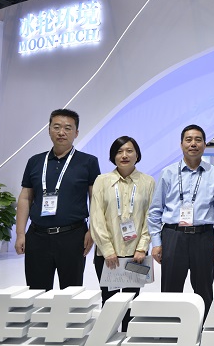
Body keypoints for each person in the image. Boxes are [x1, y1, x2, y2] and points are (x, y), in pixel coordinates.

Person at [147, 124, 214, 319]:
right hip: (173, 236)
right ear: (181, 144)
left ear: (205, 144)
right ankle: (170, 327)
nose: (193, 144)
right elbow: (155, 210)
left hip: (203, 236)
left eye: (198, 140)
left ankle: (203, 327)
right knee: (170, 289)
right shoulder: (168, 173)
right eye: (189, 140)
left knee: (204, 290)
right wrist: (156, 242)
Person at [15, 109, 101, 290]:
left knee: (71, 292)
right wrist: (21, 234)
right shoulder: (35, 161)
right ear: (49, 130)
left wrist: (92, 231)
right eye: (57, 127)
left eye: (68, 128)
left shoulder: (88, 162)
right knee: (36, 291)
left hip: (73, 236)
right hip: (37, 236)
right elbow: (25, 197)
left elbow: (95, 199)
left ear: (76, 133)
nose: (62, 132)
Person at [89, 136, 155, 331]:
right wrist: (107, 249)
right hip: (107, 255)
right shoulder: (102, 181)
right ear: (113, 156)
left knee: (131, 301)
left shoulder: (148, 182)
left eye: (129, 151)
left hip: (136, 254)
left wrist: (142, 247)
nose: (124, 155)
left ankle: (127, 337)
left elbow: (151, 216)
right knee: (108, 300)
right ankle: (108, 336)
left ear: (137, 155)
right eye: (119, 152)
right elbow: (96, 217)